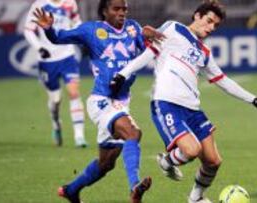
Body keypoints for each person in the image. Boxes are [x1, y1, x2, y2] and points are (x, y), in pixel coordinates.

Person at [110, 1, 257, 203]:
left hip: (193, 109)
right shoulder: (173, 28)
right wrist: (121, 75)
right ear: (197, 16)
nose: (211, 28)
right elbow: (148, 53)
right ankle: (166, 161)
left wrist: (255, 100)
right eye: (209, 21)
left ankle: (195, 198)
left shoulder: (204, 52)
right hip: (167, 103)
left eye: (215, 25)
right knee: (191, 150)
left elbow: (223, 80)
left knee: (213, 161)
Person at [32, 0, 164, 202]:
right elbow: (59, 37)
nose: (122, 13)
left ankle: (71, 190)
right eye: (116, 9)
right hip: (101, 100)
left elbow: (148, 53)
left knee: (106, 163)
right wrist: (49, 28)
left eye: (124, 9)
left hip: (121, 102)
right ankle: (134, 187)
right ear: (104, 11)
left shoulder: (132, 28)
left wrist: (149, 38)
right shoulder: (91, 30)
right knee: (133, 133)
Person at [24, 0, 88, 147]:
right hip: (47, 60)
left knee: (73, 92)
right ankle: (56, 123)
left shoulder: (70, 3)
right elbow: (28, 30)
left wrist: (83, 40)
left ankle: (79, 136)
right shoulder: (39, 4)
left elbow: (76, 23)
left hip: (67, 56)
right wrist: (39, 47)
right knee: (56, 100)